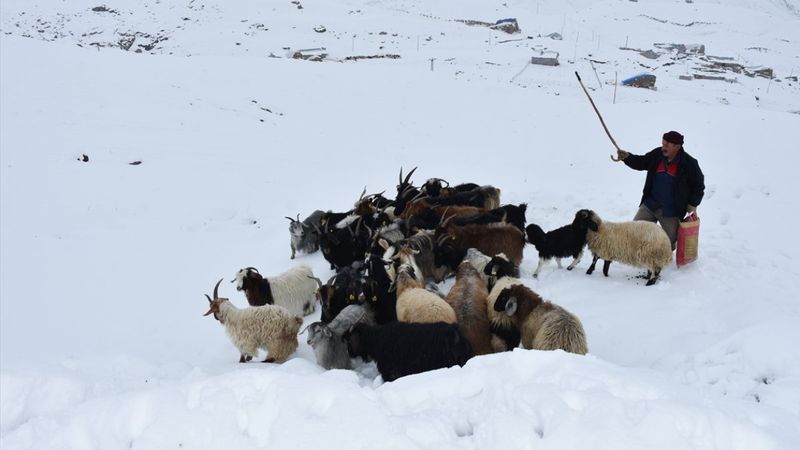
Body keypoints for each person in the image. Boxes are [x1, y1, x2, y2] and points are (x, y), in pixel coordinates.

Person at [616, 131, 705, 249]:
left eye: (667, 145)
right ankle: (638, 255)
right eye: (663, 144)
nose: (664, 147)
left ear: (677, 146)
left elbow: (699, 186)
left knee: (668, 244)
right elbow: (642, 162)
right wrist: (628, 157)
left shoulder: (689, 164)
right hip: (650, 204)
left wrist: (692, 203)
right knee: (634, 232)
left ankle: (661, 261)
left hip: (671, 211)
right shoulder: (657, 154)